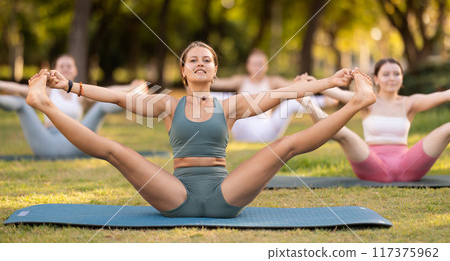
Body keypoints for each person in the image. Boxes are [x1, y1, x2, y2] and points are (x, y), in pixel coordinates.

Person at [26, 41, 375, 217]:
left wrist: (329, 81)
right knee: (116, 151)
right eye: (192, 59)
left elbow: (285, 93)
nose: (200, 63)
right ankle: (43, 105)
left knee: (284, 147)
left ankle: (358, 103)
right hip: (175, 193)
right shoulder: (167, 105)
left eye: (207, 59)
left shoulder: (231, 106)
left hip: (225, 193)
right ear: (183, 71)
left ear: (215, 70)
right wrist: (68, 86)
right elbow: (117, 98)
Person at [306, 58, 449, 182]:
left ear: (402, 78)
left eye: (396, 74)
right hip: (371, 164)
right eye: (386, 74)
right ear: (376, 79)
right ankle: (304, 101)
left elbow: (444, 95)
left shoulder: (410, 102)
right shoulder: (367, 100)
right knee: (344, 133)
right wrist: (311, 83)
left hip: (407, 166)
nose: (392, 78)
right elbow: (336, 92)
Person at [0, 54, 140, 157]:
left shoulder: (80, 95)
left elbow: (108, 92)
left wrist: (130, 87)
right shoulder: (46, 92)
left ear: (75, 71)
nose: (65, 69)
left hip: (77, 144)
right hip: (47, 143)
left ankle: (139, 104)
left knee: (100, 106)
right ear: (55, 70)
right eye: (62, 66)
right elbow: (16, 88)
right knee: (21, 104)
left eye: (69, 66)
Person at [210, 48, 338, 142]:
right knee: (225, 98)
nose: (257, 68)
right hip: (243, 130)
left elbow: (299, 88)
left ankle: (325, 101)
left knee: (291, 102)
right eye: (254, 64)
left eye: (260, 64)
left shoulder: (273, 81)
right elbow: (217, 83)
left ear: (266, 66)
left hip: (267, 130)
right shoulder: (240, 81)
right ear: (248, 66)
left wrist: (324, 86)